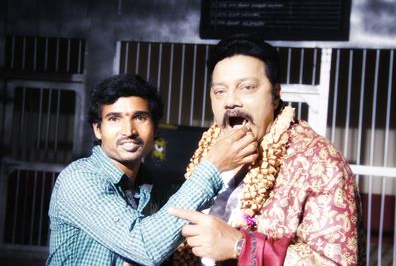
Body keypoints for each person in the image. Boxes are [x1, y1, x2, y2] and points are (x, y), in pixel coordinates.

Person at [169, 36, 364, 265]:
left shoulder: (319, 162)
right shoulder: (210, 153)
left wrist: (240, 245)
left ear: (276, 94)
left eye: (247, 87)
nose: (231, 101)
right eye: (220, 91)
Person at [46, 74, 259, 266]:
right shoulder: (79, 179)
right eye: (114, 119)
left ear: (155, 128)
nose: (129, 131)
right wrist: (212, 166)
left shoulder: (154, 187)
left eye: (140, 117)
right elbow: (146, 248)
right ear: (97, 129)